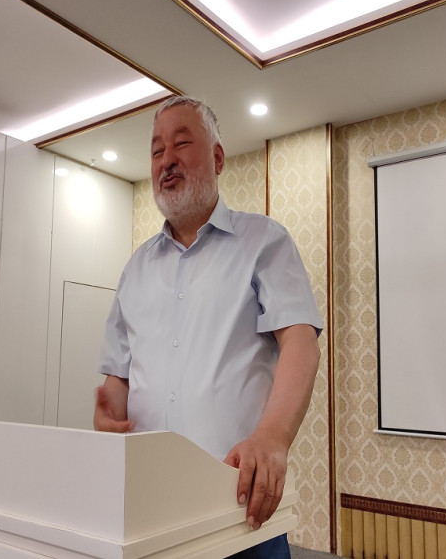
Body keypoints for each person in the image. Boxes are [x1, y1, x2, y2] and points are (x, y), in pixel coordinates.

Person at [94, 95, 322, 559]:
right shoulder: (135, 269)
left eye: (182, 143)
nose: (167, 160)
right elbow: (118, 377)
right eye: (156, 150)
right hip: (149, 507)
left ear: (217, 158)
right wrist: (109, 413)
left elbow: (301, 342)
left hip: (238, 505)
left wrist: (272, 438)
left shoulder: (264, 241)